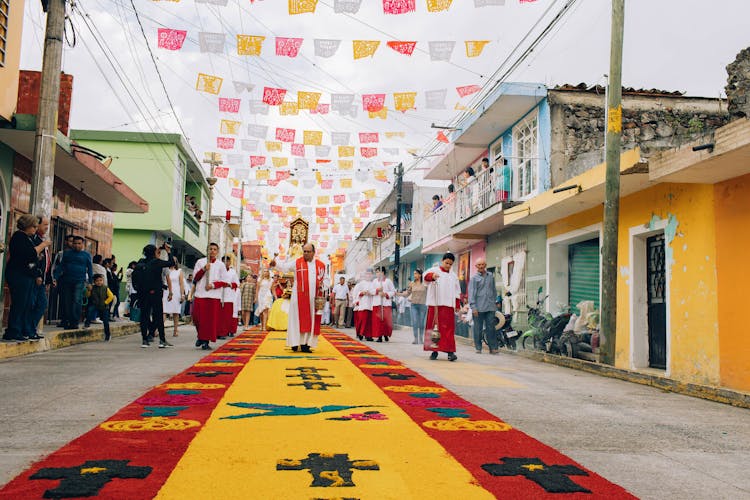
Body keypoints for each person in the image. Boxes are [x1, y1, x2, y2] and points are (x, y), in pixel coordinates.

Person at [271, 243, 326, 353]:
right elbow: (284, 267)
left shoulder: (320, 265)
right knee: (296, 320)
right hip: (298, 298)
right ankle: (294, 343)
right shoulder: (297, 262)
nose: (305, 253)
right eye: (304, 251)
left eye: (308, 251)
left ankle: (306, 344)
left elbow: (326, 280)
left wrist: (323, 285)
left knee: (311, 320)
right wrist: (275, 264)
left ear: (313, 253)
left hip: (313, 299)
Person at [3, 215, 50, 341]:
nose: (35, 229)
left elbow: (30, 257)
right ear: (27, 226)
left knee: (24, 304)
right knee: (19, 303)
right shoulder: (19, 237)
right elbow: (29, 253)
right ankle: (13, 331)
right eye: (34, 226)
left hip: (26, 274)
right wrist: (43, 245)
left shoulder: (26, 238)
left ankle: (18, 330)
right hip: (18, 274)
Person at [423, 252, 461, 362]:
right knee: (434, 328)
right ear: (442, 261)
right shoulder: (434, 270)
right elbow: (425, 279)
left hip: (448, 305)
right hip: (435, 304)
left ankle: (450, 352)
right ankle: (434, 351)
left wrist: (457, 304)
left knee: (448, 329)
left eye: (450, 264)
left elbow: (457, 291)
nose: (448, 265)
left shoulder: (454, 276)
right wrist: (432, 277)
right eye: (446, 263)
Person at [135, 243, 174, 348]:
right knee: (158, 316)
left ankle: (144, 340)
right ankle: (162, 340)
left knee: (144, 316)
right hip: (155, 293)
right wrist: (168, 251)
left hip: (143, 293)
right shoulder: (157, 262)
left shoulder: (140, 262)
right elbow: (171, 263)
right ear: (154, 252)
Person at [54, 236, 93, 330]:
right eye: (75, 243)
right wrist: (55, 277)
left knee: (77, 300)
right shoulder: (67, 254)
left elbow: (90, 269)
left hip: (79, 281)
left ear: (82, 244)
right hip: (67, 281)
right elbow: (61, 266)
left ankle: (75, 322)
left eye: (79, 243)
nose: (76, 245)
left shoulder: (86, 255)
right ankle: (67, 321)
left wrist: (90, 283)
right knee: (67, 302)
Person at [192, 243, 225, 350]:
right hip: (200, 294)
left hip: (213, 295)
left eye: (215, 249)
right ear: (207, 250)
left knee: (209, 320)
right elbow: (195, 278)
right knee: (197, 317)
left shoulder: (221, 265)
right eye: (210, 249)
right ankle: (201, 336)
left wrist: (213, 285)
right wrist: (204, 269)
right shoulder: (200, 262)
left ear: (217, 251)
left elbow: (224, 281)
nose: (212, 251)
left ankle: (205, 341)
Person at [469, 258, 498, 354]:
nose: (481, 266)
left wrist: (494, 302)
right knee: (478, 328)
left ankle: (493, 348)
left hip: (490, 306)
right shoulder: (474, 279)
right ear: (476, 266)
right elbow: (471, 293)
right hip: (478, 307)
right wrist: (473, 307)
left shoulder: (491, 276)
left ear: (485, 265)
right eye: (479, 265)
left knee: (491, 327)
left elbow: (493, 290)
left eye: (482, 264)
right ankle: (478, 347)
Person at [29, 217, 52, 338]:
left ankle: (31, 329)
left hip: (42, 280)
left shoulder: (43, 240)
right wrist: (37, 275)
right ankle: (29, 329)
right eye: (44, 225)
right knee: (34, 304)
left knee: (42, 304)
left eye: (47, 225)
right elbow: (35, 260)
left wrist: (49, 279)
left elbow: (47, 261)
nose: (46, 227)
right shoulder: (35, 240)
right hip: (35, 279)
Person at [84, 274, 113, 341]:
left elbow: (111, 296)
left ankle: (107, 335)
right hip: (95, 305)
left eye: (100, 280)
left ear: (103, 281)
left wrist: (105, 302)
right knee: (90, 311)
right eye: (97, 281)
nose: (99, 282)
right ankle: (87, 323)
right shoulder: (92, 288)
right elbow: (87, 296)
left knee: (106, 322)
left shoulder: (105, 288)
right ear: (94, 282)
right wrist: (89, 290)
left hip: (104, 306)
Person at [370, 266, 396, 343]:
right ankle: (379, 336)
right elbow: (371, 291)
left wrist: (385, 294)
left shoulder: (388, 281)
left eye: (379, 272)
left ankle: (385, 334)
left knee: (385, 320)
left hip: (385, 303)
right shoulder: (374, 281)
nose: (377, 274)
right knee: (378, 321)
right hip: (377, 303)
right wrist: (377, 290)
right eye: (376, 272)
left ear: (383, 272)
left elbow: (393, 291)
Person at [402, 269, 427, 345]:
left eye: (416, 273)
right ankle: (415, 338)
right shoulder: (411, 284)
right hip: (414, 305)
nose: (414, 275)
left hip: (423, 305)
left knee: (422, 323)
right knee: (415, 322)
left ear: (420, 275)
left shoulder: (425, 284)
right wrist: (397, 293)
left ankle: (421, 338)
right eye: (414, 273)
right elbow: (407, 293)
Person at [162, 257, 185, 338]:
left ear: (176, 262)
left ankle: (175, 330)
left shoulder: (179, 271)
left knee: (176, 312)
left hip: (176, 293)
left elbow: (181, 284)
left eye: (174, 260)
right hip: (166, 292)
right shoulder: (165, 270)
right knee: (164, 311)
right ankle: (159, 329)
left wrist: (182, 294)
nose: (173, 262)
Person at [220, 254, 240, 338]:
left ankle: (226, 331)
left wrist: (228, 285)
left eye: (227, 261)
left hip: (229, 296)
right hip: (219, 295)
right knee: (220, 316)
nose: (225, 263)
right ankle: (220, 332)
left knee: (227, 315)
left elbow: (237, 284)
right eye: (224, 261)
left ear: (229, 262)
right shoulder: (219, 270)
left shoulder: (232, 272)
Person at [352, 270, 374, 341]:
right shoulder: (361, 284)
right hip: (363, 304)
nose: (368, 276)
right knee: (362, 320)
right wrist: (362, 292)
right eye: (367, 274)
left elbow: (375, 291)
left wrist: (370, 292)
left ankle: (369, 335)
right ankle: (361, 333)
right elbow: (356, 294)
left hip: (371, 304)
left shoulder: (373, 283)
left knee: (369, 321)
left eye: (370, 274)